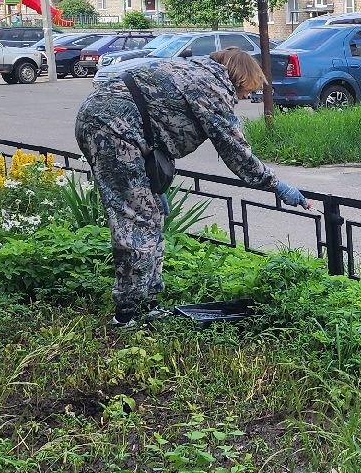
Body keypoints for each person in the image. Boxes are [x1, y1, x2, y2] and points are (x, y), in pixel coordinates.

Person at [74, 47, 310, 325]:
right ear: (240, 77)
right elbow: (234, 149)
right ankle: (127, 315)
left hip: (106, 123)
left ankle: (146, 302)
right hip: (112, 130)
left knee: (149, 215)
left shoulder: (195, 70)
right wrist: (276, 185)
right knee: (138, 221)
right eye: (247, 91)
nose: (245, 97)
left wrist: (152, 188)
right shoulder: (212, 86)